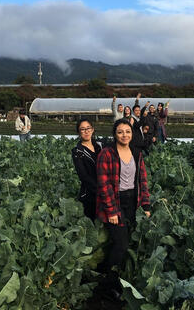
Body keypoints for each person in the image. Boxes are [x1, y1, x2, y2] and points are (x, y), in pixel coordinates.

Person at [96, 119, 150, 295]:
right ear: (114, 134)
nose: (124, 135)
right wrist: (111, 210)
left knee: (126, 240)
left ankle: (111, 274)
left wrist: (146, 204)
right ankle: (107, 283)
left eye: (127, 131)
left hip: (132, 201)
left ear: (132, 133)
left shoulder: (136, 152)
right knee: (121, 244)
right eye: (120, 132)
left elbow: (142, 180)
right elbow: (104, 185)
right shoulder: (107, 153)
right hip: (115, 201)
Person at [72, 118, 102, 222]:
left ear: (93, 129)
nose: (86, 131)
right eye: (82, 129)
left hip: (106, 190)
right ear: (79, 132)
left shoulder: (100, 145)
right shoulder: (78, 151)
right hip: (90, 193)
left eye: (88, 128)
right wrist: (100, 190)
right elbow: (84, 176)